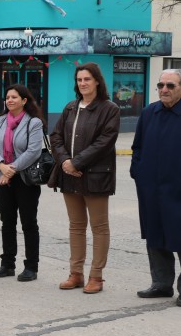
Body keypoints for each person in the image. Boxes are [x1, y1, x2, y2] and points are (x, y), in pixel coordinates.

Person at [49, 63, 120, 294]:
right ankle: (75, 273)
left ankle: (96, 277)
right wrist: (65, 162)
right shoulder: (70, 108)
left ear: (97, 81)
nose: (83, 84)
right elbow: (56, 136)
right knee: (76, 226)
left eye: (87, 79)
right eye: (79, 80)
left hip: (96, 177)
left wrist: (76, 162)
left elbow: (105, 141)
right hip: (69, 176)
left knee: (99, 227)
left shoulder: (109, 109)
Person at [131, 69, 181, 304]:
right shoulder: (149, 112)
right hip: (151, 189)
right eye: (161, 85)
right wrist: (138, 172)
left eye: (170, 85)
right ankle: (161, 284)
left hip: (177, 190)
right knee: (156, 236)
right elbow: (137, 147)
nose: (164, 90)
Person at [0, 84, 44, 281]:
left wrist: (10, 170)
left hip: (25, 180)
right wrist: (1, 165)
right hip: (3, 179)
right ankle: (7, 264)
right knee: (7, 223)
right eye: (7, 97)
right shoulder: (1, 121)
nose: (9, 100)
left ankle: (31, 267)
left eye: (14, 97)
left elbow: (33, 151)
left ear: (24, 100)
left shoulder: (33, 123)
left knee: (29, 223)